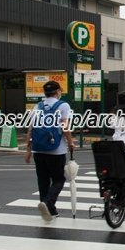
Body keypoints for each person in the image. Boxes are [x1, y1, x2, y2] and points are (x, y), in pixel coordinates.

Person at [25, 80, 74, 222]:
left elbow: (30, 129)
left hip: (38, 150)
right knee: (59, 179)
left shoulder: (38, 106)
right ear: (58, 91)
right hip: (56, 150)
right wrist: (70, 143)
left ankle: (49, 210)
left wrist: (28, 149)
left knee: (43, 180)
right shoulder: (63, 105)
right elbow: (65, 127)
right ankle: (47, 203)